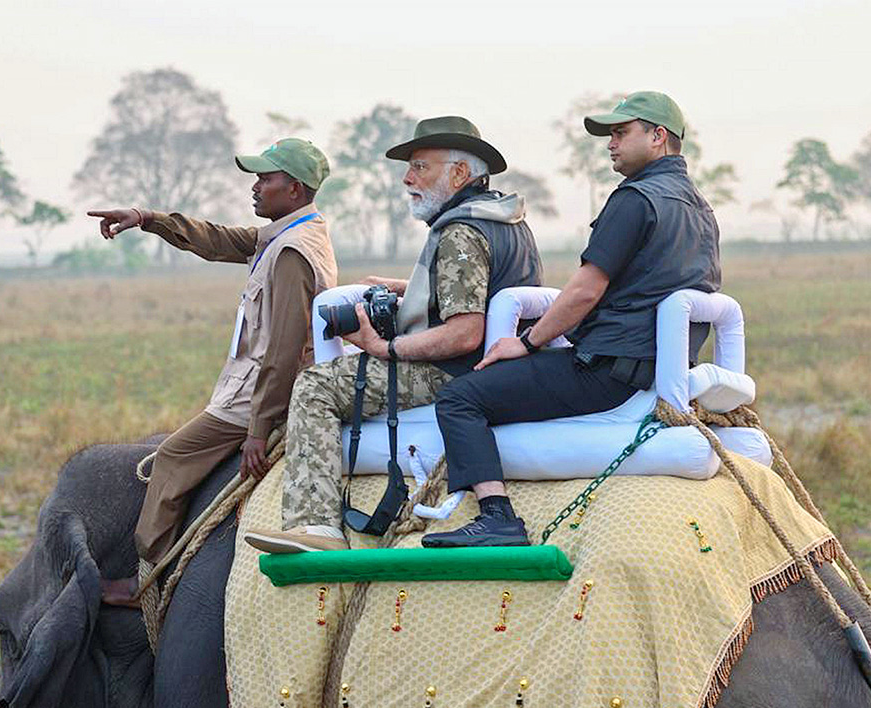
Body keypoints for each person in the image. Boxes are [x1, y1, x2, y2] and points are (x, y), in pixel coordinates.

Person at [423, 91, 721, 549]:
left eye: (621, 133)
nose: (610, 144)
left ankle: (497, 517)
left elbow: (585, 289)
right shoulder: (700, 208)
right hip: (655, 366)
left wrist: (527, 341)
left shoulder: (636, 199)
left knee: (461, 398)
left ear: (659, 137)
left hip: (608, 370)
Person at [243, 116, 543, 554]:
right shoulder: (505, 217)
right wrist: (416, 290)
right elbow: (477, 293)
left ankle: (316, 527)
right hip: (496, 367)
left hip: (455, 371)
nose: (407, 178)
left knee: (315, 385)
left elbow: (463, 333)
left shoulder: (460, 232)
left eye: (420, 166)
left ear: (460, 173)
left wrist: (386, 347)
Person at [87, 139, 338, 597]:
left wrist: (259, 430)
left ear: (296, 189)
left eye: (266, 178)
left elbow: (282, 354)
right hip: (249, 388)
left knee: (173, 456)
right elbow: (216, 239)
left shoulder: (292, 253)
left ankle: (150, 579)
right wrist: (147, 219)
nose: (256, 187)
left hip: (255, 399)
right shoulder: (284, 235)